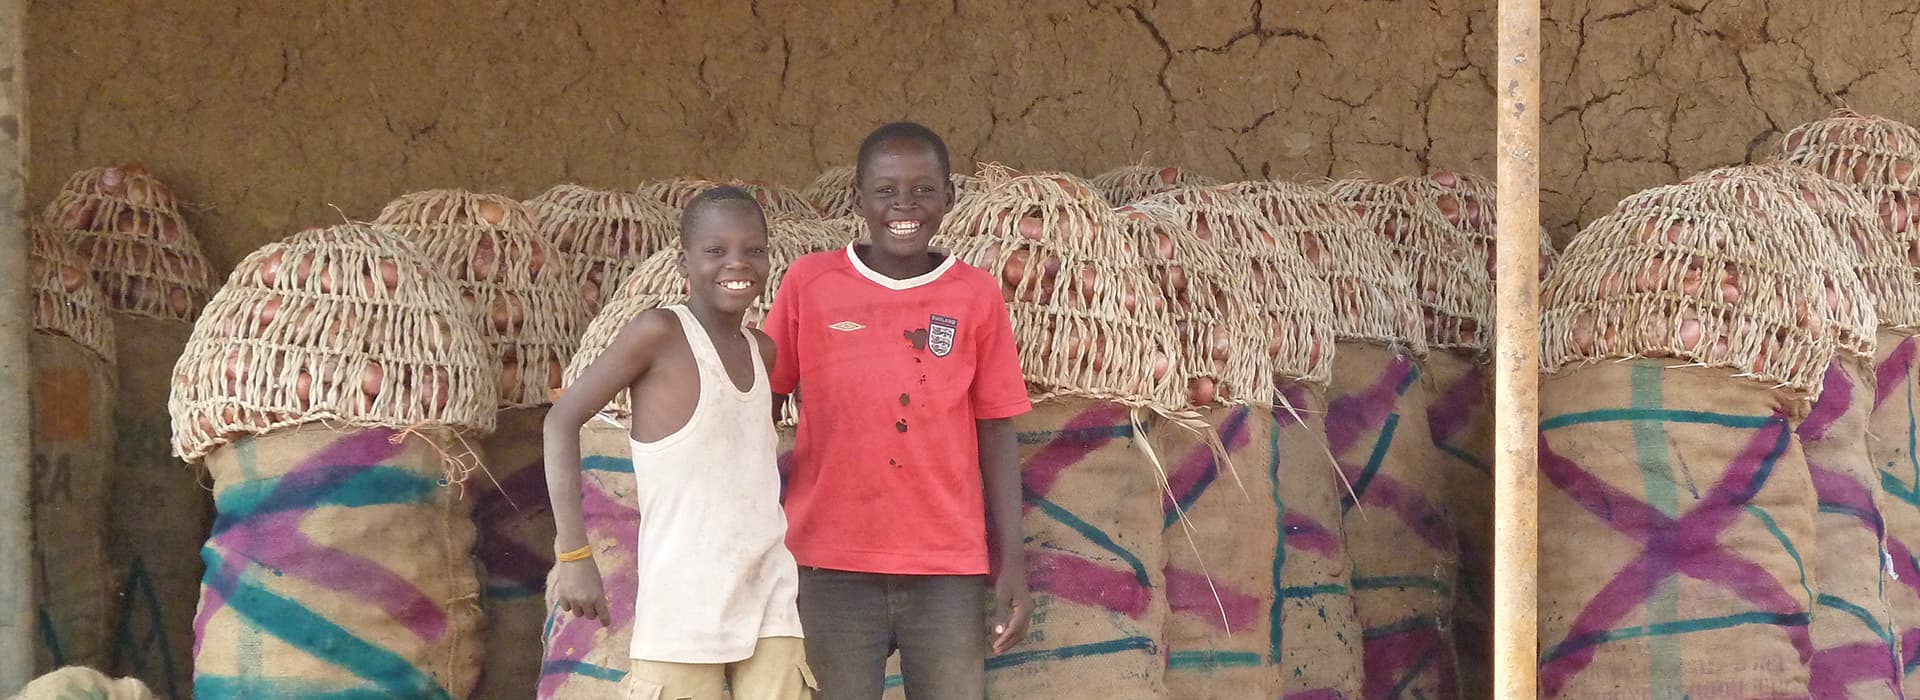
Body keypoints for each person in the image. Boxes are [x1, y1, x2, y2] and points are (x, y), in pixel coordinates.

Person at [763, 122, 1032, 699]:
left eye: (923, 189)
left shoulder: (975, 294)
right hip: (829, 565)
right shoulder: (810, 283)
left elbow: (996, 431)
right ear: (859, 199)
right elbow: (757, 407)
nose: (903, 206)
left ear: (949, 198)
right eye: (885, 191)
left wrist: (1012, 563)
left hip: (946, 568)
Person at [544, 186, 814, 699]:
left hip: (769, 593)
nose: (737, 263)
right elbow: (560, 422)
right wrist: (574, 554)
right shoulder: (660, 332)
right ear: (683, 260)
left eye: (753, 250)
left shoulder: (763, 350)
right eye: (716, 251)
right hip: (682, 604)